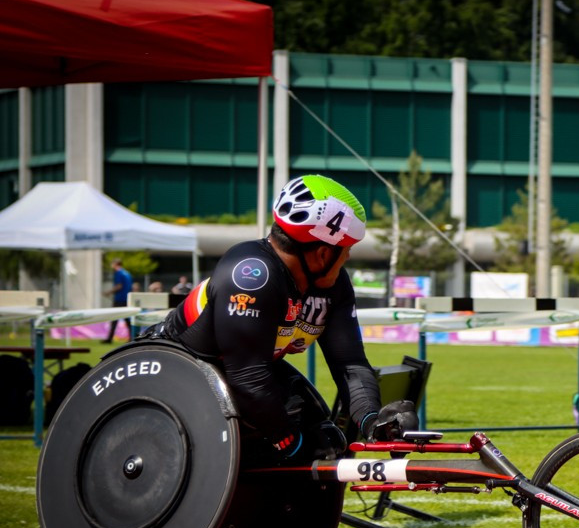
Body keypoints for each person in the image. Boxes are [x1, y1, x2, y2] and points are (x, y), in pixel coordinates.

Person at [143, 174, 413, 464]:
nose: (348, 256)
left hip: (238, 374)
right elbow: (248, 377)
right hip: (166, 375)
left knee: (327, 439)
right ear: (323, 253)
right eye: (348, 248)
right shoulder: (251, 274)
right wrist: (293, 444)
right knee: (303, 449)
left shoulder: (334, 285)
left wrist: (373, 423)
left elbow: (350, 364)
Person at [102, 258, 133, 344]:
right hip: (127, 299)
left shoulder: (118, 273)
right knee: (128, 319)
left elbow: (119, 286)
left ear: (115, 264)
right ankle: (132, 337)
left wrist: (108, 292)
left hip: (119, 299)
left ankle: (109, 338)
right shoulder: (127, 273)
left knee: (114, 318)